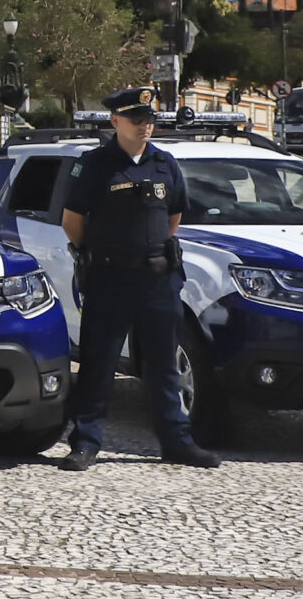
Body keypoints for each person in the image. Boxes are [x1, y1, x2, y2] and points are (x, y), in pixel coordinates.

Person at [57, 88, 220, 471]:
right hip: (111, 276)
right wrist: (100, 254)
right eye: (137, 119)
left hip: (158, 277)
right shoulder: (95, 164)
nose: (146, 125)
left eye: (150, 119)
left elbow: (173, 217)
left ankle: (177, 442)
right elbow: (72, 222)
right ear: (116, 122)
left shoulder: (164, 163)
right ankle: (85, 443)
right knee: (99, 363)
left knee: (163, 364)